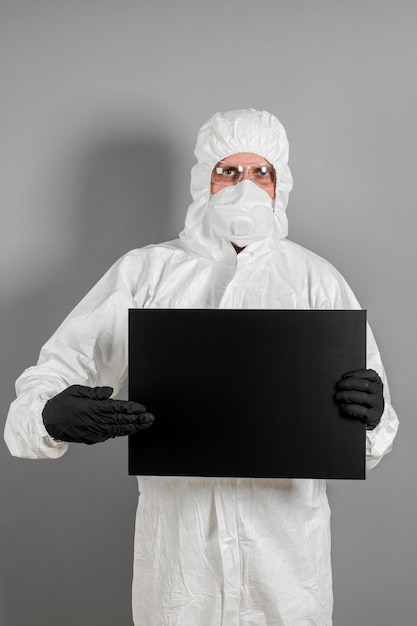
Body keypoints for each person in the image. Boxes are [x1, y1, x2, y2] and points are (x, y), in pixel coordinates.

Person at [5, 109, 399, 625]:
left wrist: (370, 417)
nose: (245, 188)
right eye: (228, 172)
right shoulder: (146, 273)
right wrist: (47, 415)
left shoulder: (315, 281)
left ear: (281, 183)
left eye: (261, 173)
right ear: (202, 182)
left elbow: (377, 432)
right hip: (180, 572)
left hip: (285, 572)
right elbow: (57, 370)